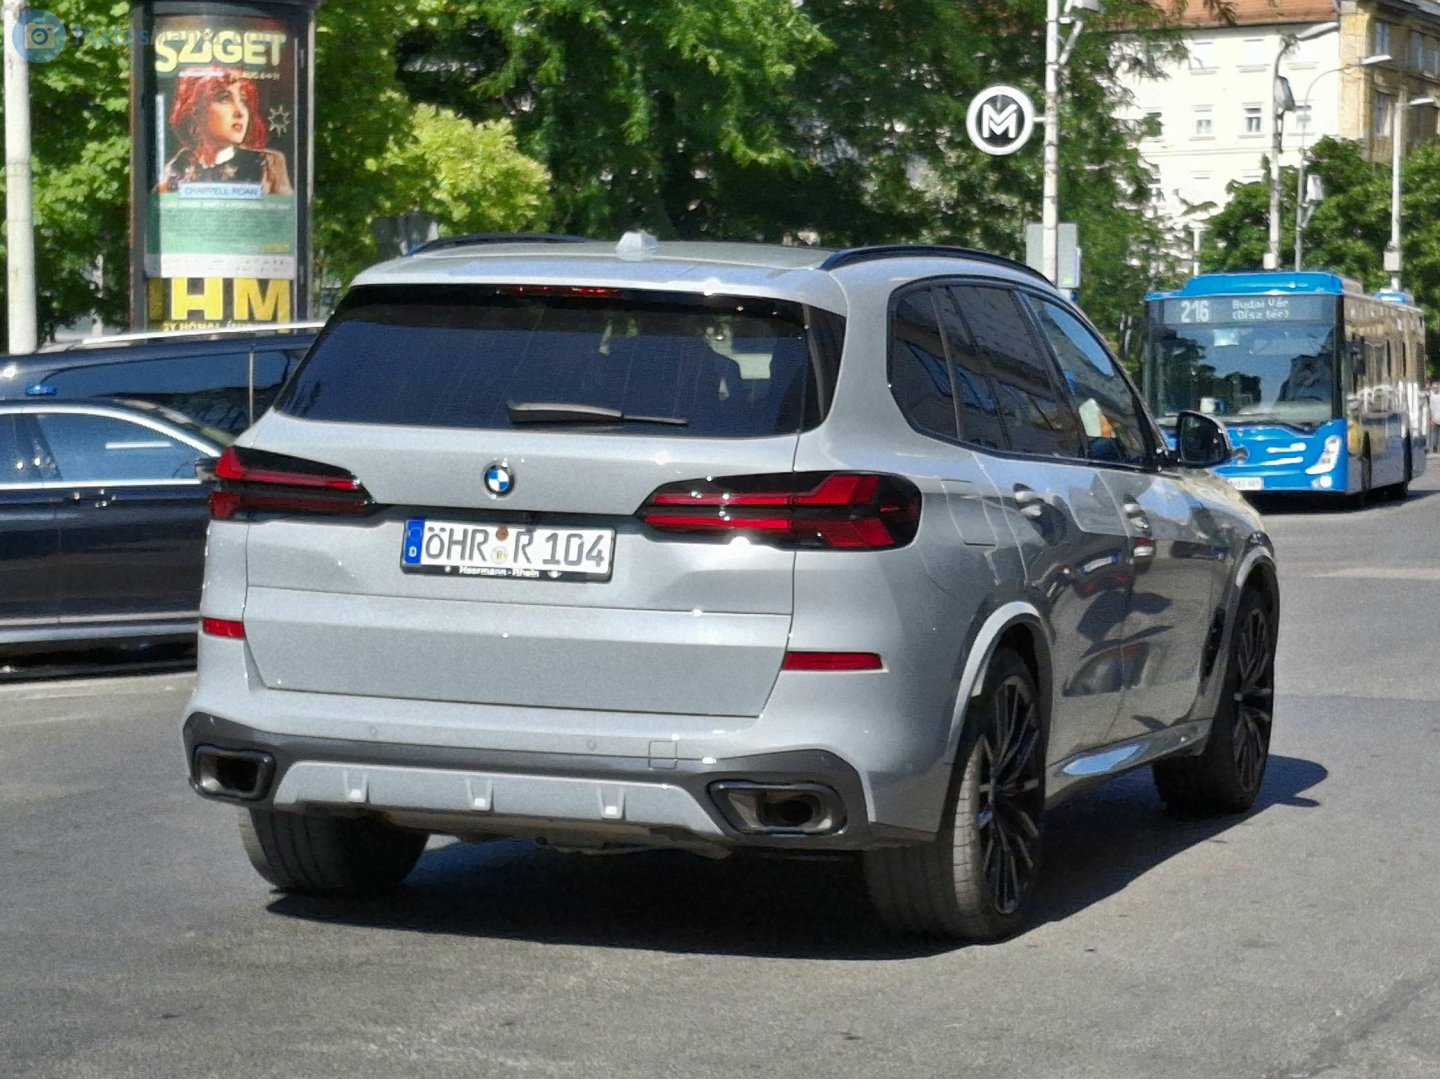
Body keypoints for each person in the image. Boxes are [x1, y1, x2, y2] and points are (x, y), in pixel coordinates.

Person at [155, 71, 292, 195]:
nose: (240, 112)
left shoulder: (266, 164)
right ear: (195, 109)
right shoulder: (177, 167)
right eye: (225, 98)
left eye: (244, 101)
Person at [1427, 380, 1440, 455]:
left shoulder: (1432, 397)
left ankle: (1435, 448)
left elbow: (1431, 408)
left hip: (1435, 418)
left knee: (1435, 433)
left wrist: (1430, 418)